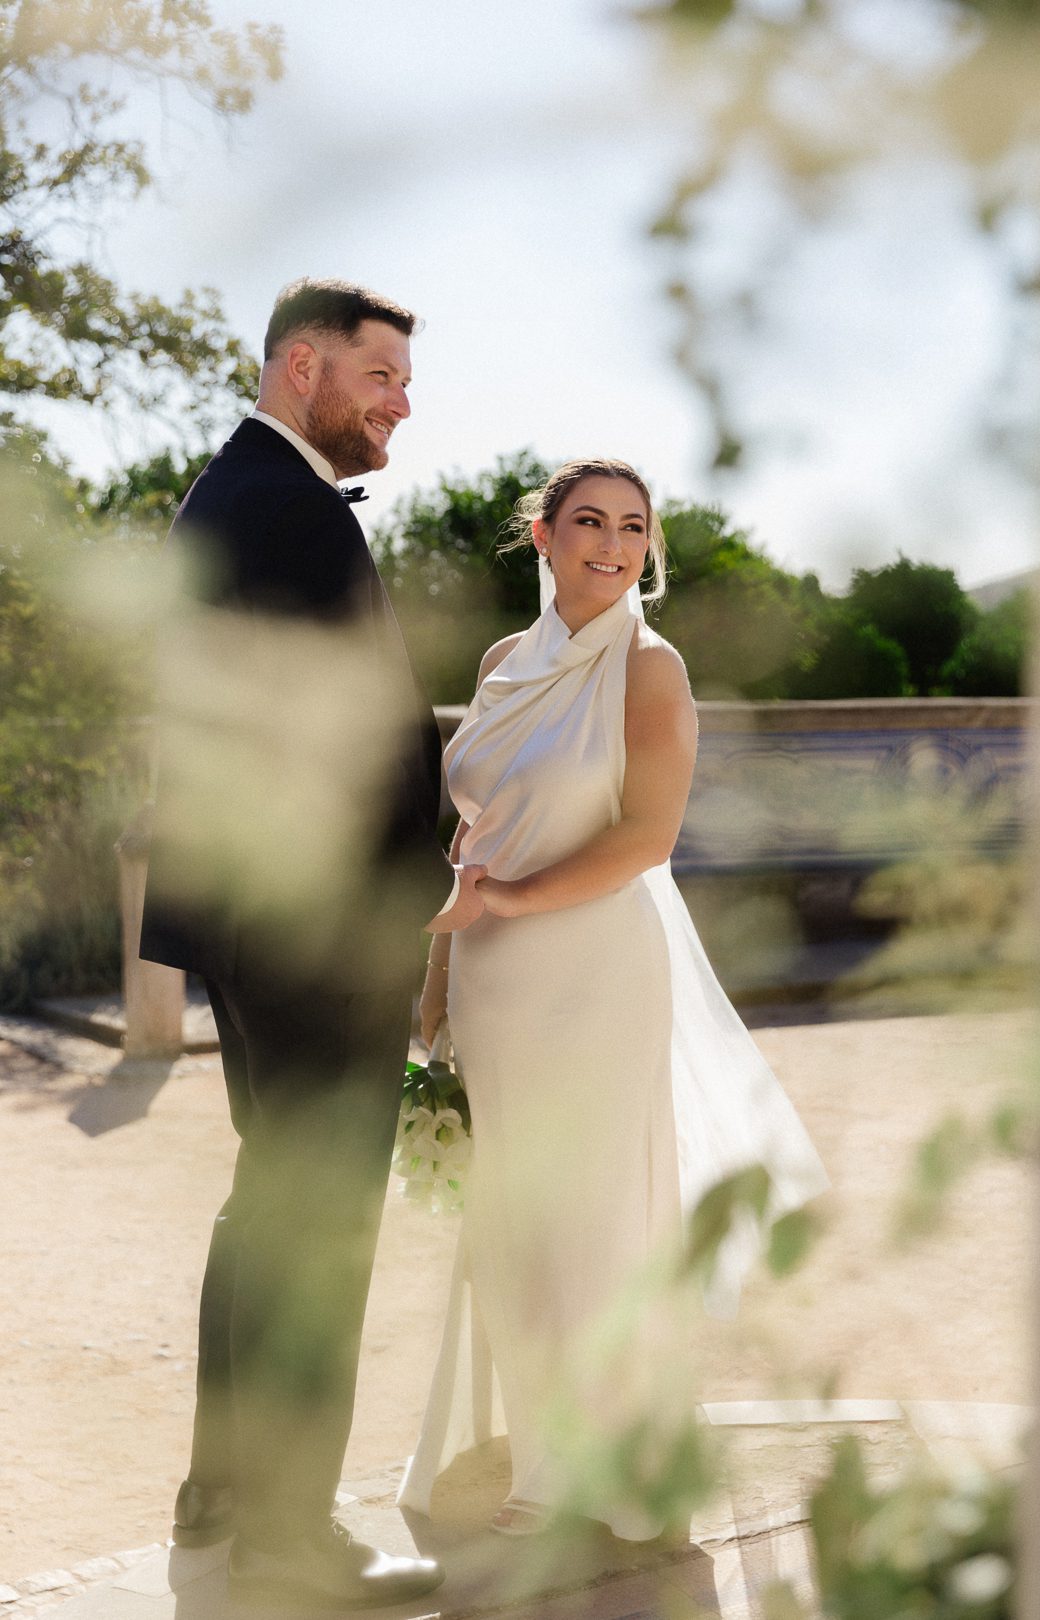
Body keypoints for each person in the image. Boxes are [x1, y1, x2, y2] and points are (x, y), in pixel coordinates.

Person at [399, 458, 830, 1540]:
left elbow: (649, 838)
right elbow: (472, 834)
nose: (612, 543)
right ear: (540, 536)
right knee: (514, 1222)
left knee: (597, 1224)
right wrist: (443, 968)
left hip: (594, 968)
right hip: (496, 978)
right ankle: (543, 1454)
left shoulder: (652, 667)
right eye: (587, 520)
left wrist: (509, 904)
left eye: (633, 527)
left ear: (649, 550)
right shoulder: (504, 659)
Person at [139, 279, 485, 1609]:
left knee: (270, 1213)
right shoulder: (275, 505)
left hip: (265, 919)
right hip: (306, 928)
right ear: (302, 370)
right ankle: (279, 1540)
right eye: (381, 375)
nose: (403, 402)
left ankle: (228, 1516)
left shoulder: (244, 495)